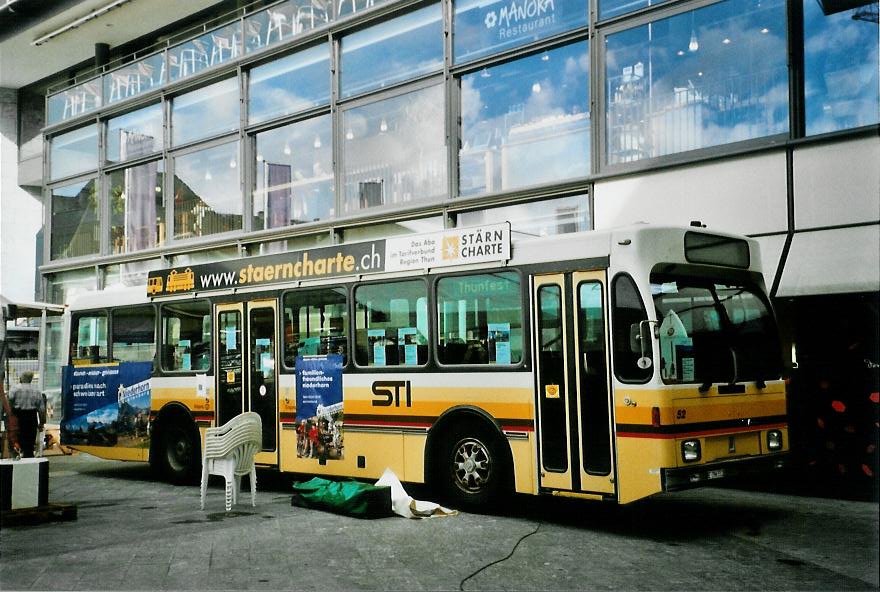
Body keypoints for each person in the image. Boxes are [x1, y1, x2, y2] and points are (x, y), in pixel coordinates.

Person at [8, 371, 44, 458]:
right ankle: (29, 456)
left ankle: (17, 455)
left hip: (18, 416)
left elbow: (9, 401)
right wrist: (42, 422)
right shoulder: (37, 391)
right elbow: (41, 409)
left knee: (17, 437)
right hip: (32, 416)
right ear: (31, 379)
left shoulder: (15, 389)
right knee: (30, 440)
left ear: (21, 378)